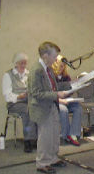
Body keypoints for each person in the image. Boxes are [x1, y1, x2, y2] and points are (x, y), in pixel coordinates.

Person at [28, 41, 71, 174]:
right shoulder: (36, 70)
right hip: (42, 107)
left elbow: (55, 86)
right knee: (45, 136)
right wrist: (57, 94)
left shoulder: (49, 68)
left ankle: (53, 158)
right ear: (45, 55)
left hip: (52, 105)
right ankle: (42, 163)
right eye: (54, 56)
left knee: (53, 134)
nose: (56, 59)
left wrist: (72, 83)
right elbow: (36, 93)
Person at [2, 52, 37, 153]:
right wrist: (18, 96)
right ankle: (28, 140)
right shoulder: (8, 75)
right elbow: (7, 95)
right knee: (27, 110)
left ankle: (36, 138)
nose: (23, 66)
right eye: (21, 63)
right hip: (14, 103)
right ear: (15, 63)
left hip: (27, 101)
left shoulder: (28, 74)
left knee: (38, 107)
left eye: (25, 63)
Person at [51, 55, 82, 146]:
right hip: (55, 101)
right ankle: (65, 135)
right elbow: (50, 93)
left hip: (65, 100)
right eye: (60, 66)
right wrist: (60, 100)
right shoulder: (51, 76)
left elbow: (69, 92)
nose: (62, 68)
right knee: (63, 110)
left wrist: (74, 87)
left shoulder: (66, 77)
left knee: (78, 107)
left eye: (63, 66)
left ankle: (73, 134)